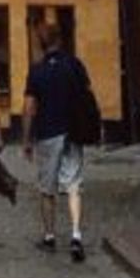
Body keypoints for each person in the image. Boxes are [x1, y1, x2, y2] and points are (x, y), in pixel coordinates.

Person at [21, 18, 97, 260]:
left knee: (47, 189)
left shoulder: (37, 70)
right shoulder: (74, 65)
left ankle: (50, 236)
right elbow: (87, 94)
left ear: (42, 44)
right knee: (74, 185)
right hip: (73, 131)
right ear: (60, 40)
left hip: (47, 134)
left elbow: (30, 106)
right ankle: (76, 236)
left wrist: (26, 139)